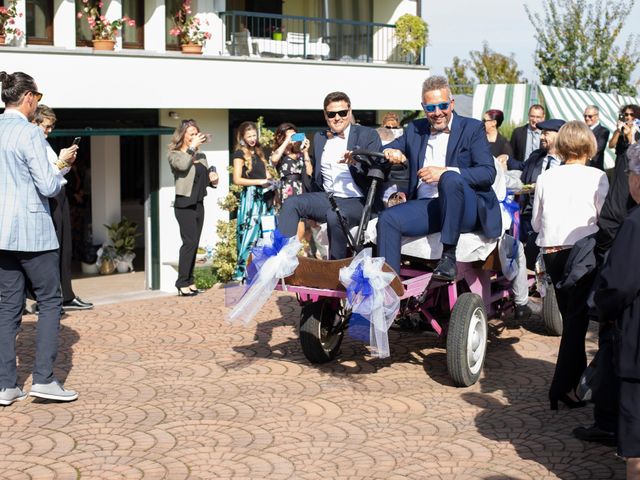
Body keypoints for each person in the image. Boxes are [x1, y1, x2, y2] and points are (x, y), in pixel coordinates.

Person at [0, 71, 78, 405]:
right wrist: (61, 167)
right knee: (49, 301)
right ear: (29, 97)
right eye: (38, 99)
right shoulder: (30, 134)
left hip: (2, 232)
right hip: (33, 232)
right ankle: (44, 380)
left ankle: (6, 385)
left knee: (7, 308)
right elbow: (47, 185)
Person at [378, 75, 502, 280]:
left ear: (451, 103)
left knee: (450, 179)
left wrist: (445, 171)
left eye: (443, 105)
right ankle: (388, 292)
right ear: (423, 107)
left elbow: (488, 173)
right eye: (430, 108)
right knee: (387, 219)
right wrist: (391, 151)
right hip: (430, 205)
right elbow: (388, 148)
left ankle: (449, 256)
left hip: (465, 207)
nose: (437, 113)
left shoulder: (471, 128)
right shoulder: (415, 129)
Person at [531, 120, 609, 410]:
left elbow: (536, 222)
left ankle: (570, 386)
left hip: (552, 252)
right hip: (583, 252)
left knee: (572, 318)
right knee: (576, 323)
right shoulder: (598, 176)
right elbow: (604, 218)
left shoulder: (546, 177)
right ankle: (562, 386)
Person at [277, 91, 382, 260]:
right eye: (332, 114)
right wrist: (306, 157)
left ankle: (336, 266)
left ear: (350, 111)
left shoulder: (367, 134)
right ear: (325, 115)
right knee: (291, 203)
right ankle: (282, 260)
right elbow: (315, 181)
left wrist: (356, 162)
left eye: (342, 112)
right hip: (328, 198)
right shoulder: (320, 138)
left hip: (358, 200)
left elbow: (378, 170)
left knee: (335, 215)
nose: (337, 118)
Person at [593, 144, 640, 479]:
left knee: (636, 445)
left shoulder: (635, 225)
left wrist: (601, 307)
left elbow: (619, 286)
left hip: (638, 347)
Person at [32, 105, 93, 311]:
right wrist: (60, 163)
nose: (49, 131)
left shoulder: (45, 144)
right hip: (48, 197)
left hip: (59, 195)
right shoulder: (33, 145)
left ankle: (66, 295)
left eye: (51, 127)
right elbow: (44, 177)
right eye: (46, 126)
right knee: (53, 249)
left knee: (64, 247)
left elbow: (57, 173)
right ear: (35, 122)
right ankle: (47, 299)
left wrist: (66, 163)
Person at [168, 119, 219, 296]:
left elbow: (205, 179)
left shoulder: (202, 156)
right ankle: (181, 282)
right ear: (183, 136)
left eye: (197, 133)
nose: (195, 136)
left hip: (198, 203)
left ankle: (189, 280)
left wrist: (214, 179)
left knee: (194, 244)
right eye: (191, 133)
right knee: (188, 242)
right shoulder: (175, 154)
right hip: (184, 204)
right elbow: (182, 166)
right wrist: (191, 148)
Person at [232, 121, 274, 279]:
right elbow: (237, 179)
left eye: (254, 135)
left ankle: (261, 272)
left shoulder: (259, 153)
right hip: (251, 198)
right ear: (242, 137)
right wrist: (259, 182)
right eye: (248, 136)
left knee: (266, 235)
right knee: (249, 235)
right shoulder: (239, 154)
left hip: (265, 196)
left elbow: (265, 176)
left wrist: (271, 182)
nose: (252, 138)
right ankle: (240, 274)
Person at [583, 105, 610, 171]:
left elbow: (597, 148)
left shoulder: (603, 131)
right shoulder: (582, 130)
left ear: (597, 117)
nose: (587, 118)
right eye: (585, 116)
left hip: (594, 167)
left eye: (590, 116)